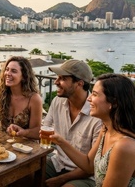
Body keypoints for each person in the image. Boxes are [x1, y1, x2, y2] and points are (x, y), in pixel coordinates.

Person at [49, 74, 135, 187]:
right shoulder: (106, 130)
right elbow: (88, 165)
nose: (89, 98)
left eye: (95, 94)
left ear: (114, 102)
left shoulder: (124, 147)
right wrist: (60, 141)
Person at [42, 59, 103, 187]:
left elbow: (91, 168)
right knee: (24, 176)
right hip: (58, 163)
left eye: (62, 78)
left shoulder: (97, 116)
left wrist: (61, 179)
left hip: (86, 175)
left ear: (79, 84)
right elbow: (45, 128)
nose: (56, 82)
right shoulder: (57, 102)